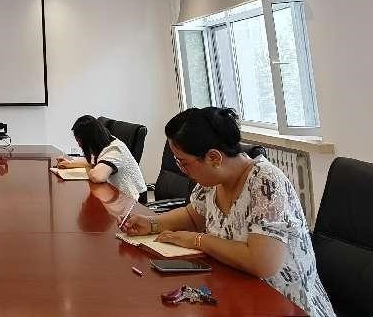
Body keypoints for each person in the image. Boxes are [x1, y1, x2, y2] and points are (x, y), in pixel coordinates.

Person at [121, 107, 335, 317]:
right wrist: (152, 223)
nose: (182, 170)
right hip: (235, 291)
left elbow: (261, 263)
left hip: (284, 304)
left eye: (184, 163)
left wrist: (197, 240)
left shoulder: (265, 183)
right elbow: (192, 216)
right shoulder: (213, 182)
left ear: (214, 158)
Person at [56, 115, 147, 201]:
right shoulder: (103, 143)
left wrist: (90, 169)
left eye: (79, 141)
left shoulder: (115, 149)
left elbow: (98, 176)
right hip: (115, 194)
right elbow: (93, 160)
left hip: (132, 200)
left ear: (89, 139)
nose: (79, 145)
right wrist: (70, 164)